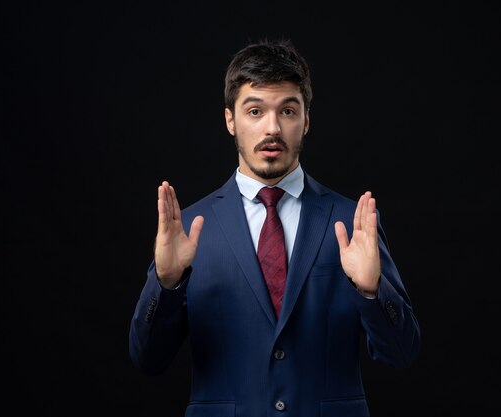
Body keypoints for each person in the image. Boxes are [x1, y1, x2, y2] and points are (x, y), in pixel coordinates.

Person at [129, 38, 420, 417]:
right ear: (230, 120)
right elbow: (147, 360)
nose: (273, 128)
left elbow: (403, 353)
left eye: (287, 111)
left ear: (307, 119)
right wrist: (166, 285)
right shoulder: (190, 229)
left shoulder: (352, 222)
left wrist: (370, 292)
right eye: (254, 111)